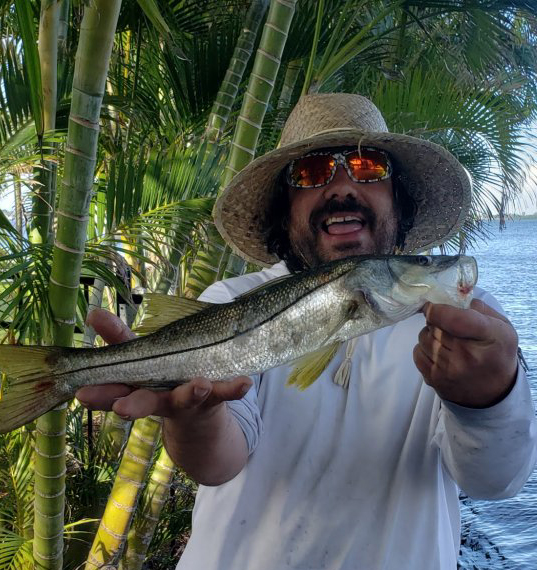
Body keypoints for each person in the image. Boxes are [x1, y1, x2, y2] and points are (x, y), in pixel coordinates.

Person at [77, 94, 537, 570]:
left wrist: (484, 402)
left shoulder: (470, 327)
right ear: (285, 206)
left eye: (368, 166)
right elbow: (218, 463)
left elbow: (497, 481)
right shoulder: (227, 299)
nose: (342, 187)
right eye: (312, 173)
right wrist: (194, 417)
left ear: (398, 198)